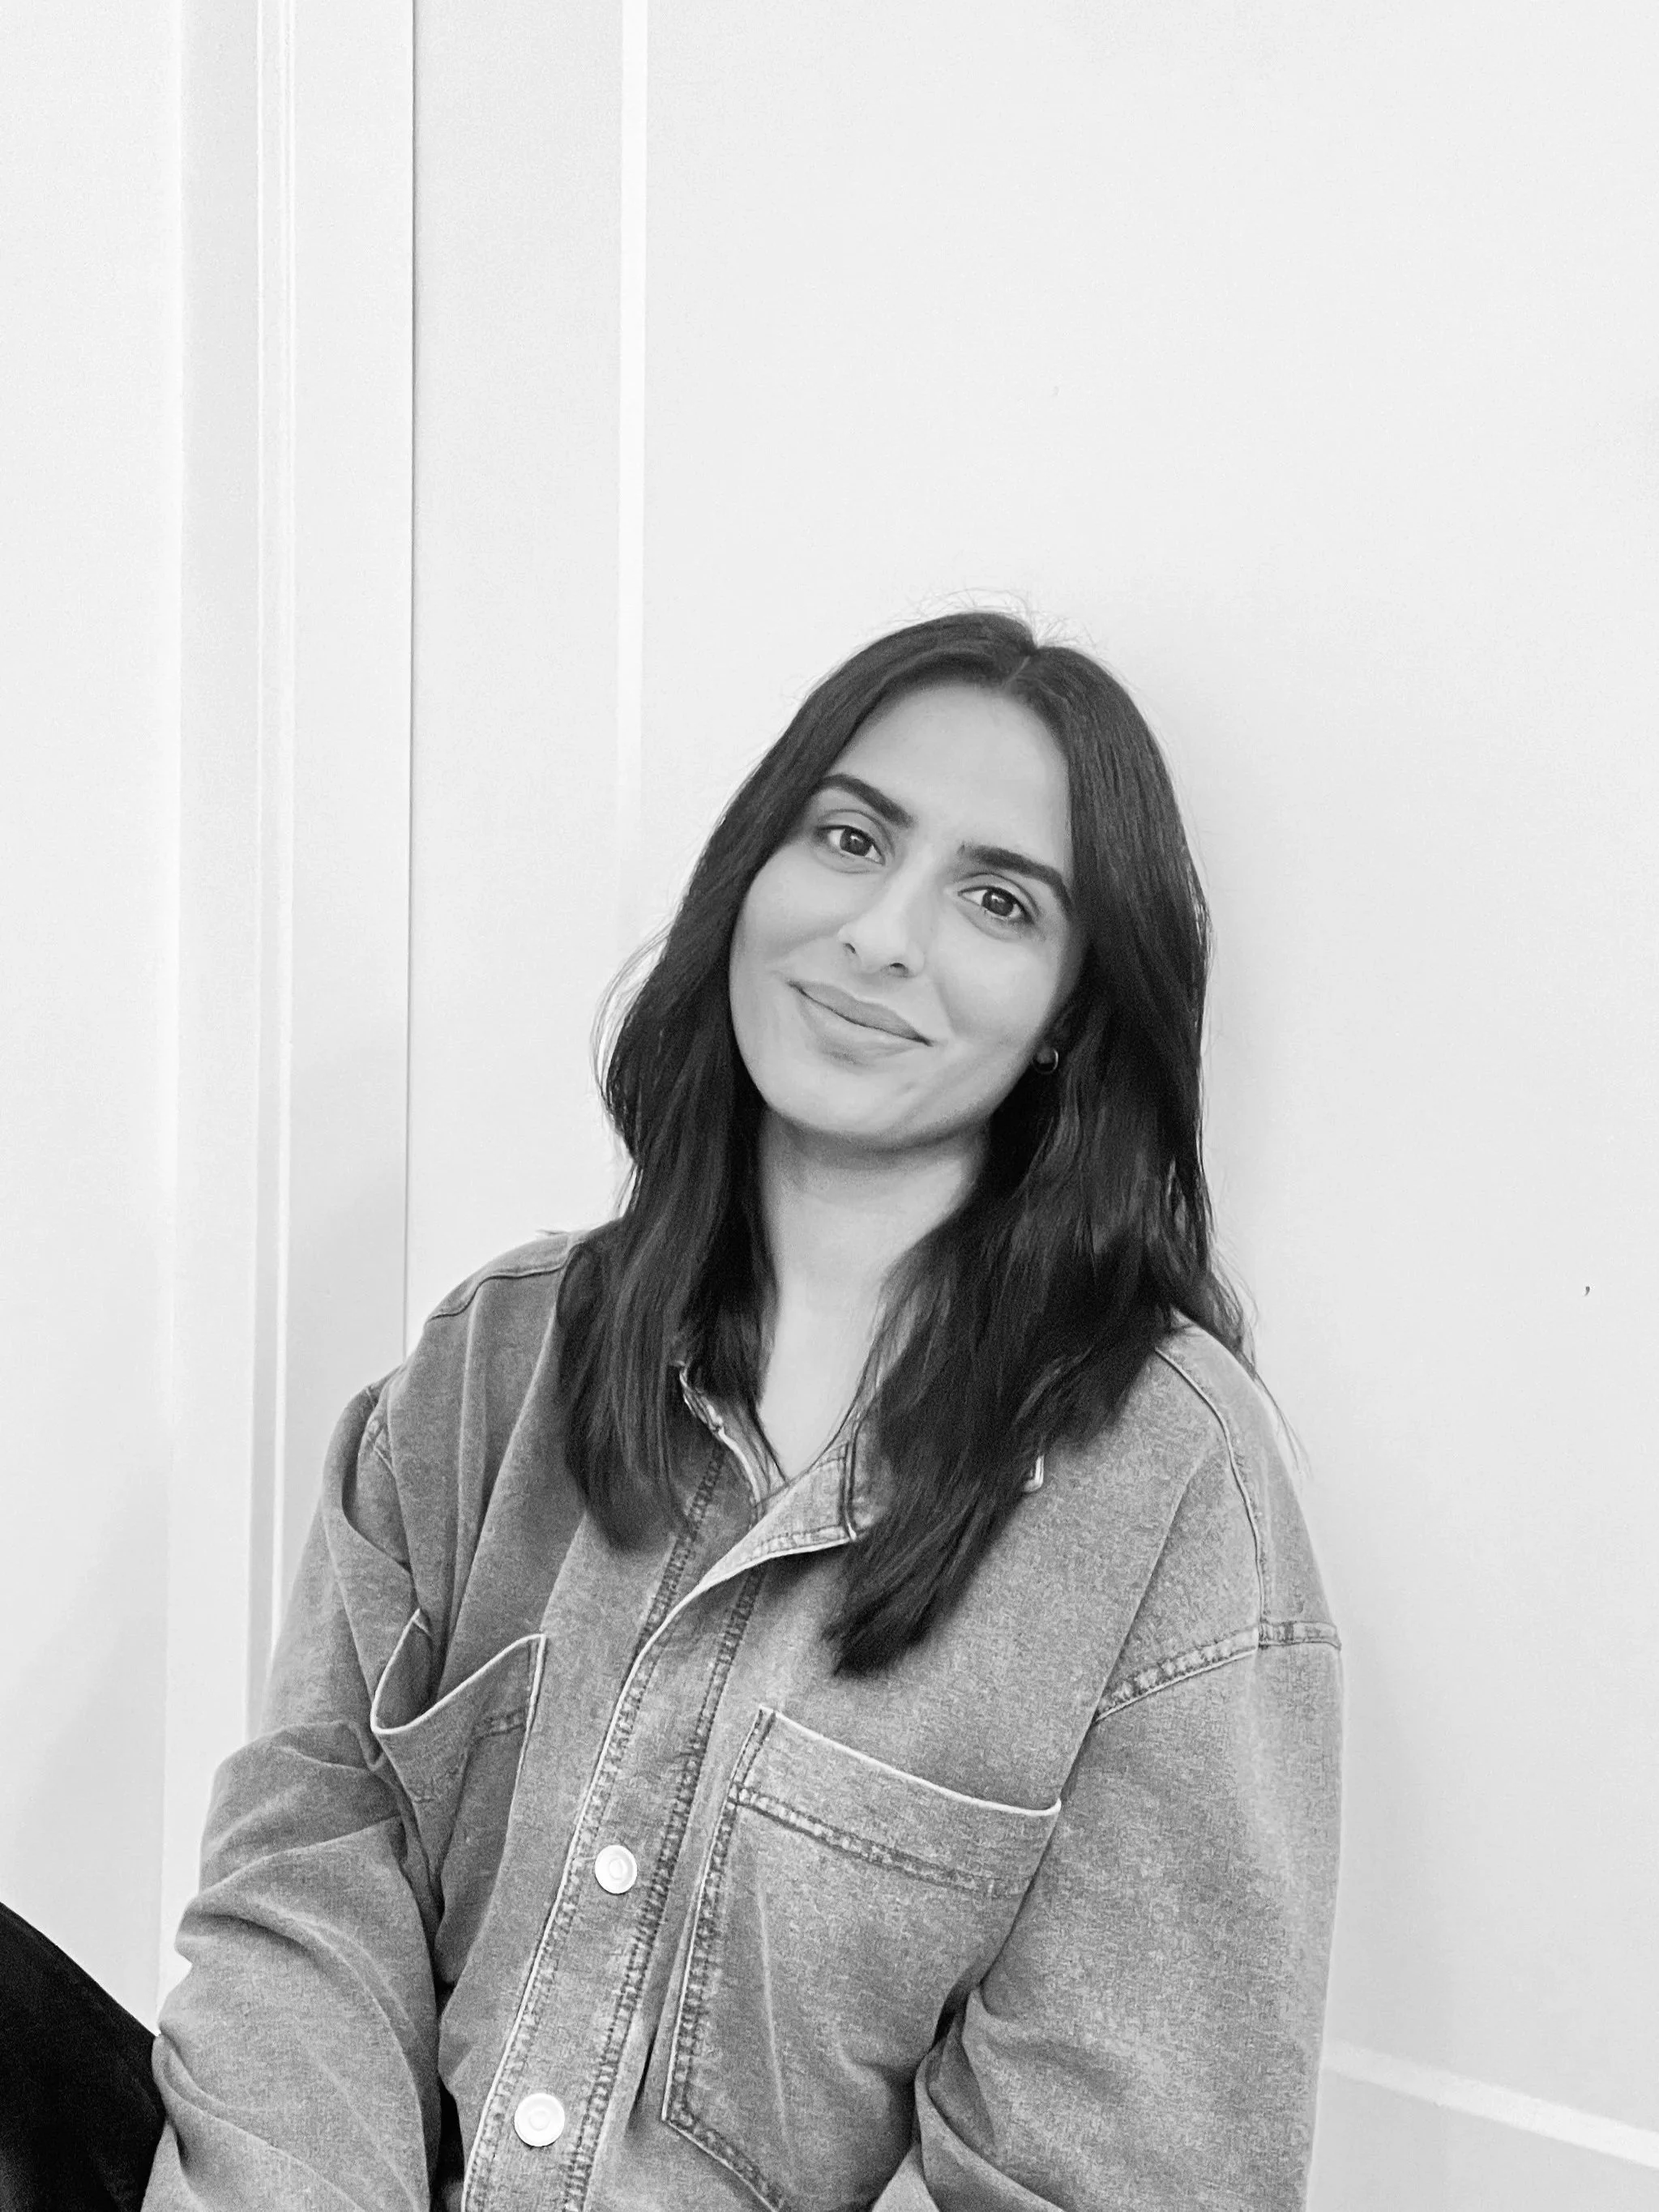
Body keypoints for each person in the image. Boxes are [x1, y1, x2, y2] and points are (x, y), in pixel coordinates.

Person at [6, 609, 1342, 2210]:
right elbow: (312, 1876)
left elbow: (1117, 2167)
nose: (881, 934)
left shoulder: (1174, 1495)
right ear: (753, 877)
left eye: (996, 900)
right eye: (848, 837)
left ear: (1070, 1007)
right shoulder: (492, 1363)